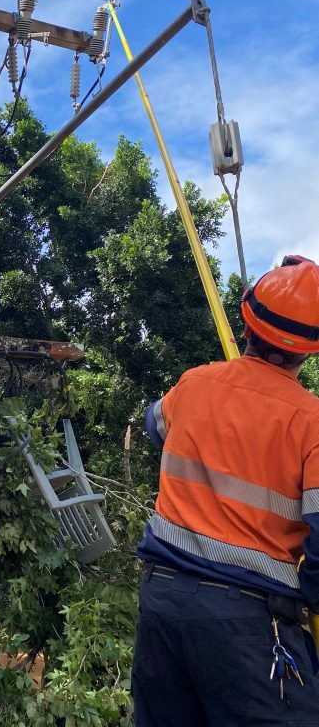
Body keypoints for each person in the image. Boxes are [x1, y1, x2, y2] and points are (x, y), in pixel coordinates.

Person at [132, 255, 319, 726]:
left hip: (161, 602)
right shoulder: (311, 421)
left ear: (247, 322)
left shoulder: (195, 384)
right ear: (310, 351)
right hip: (249, 619)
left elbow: (154, 425)